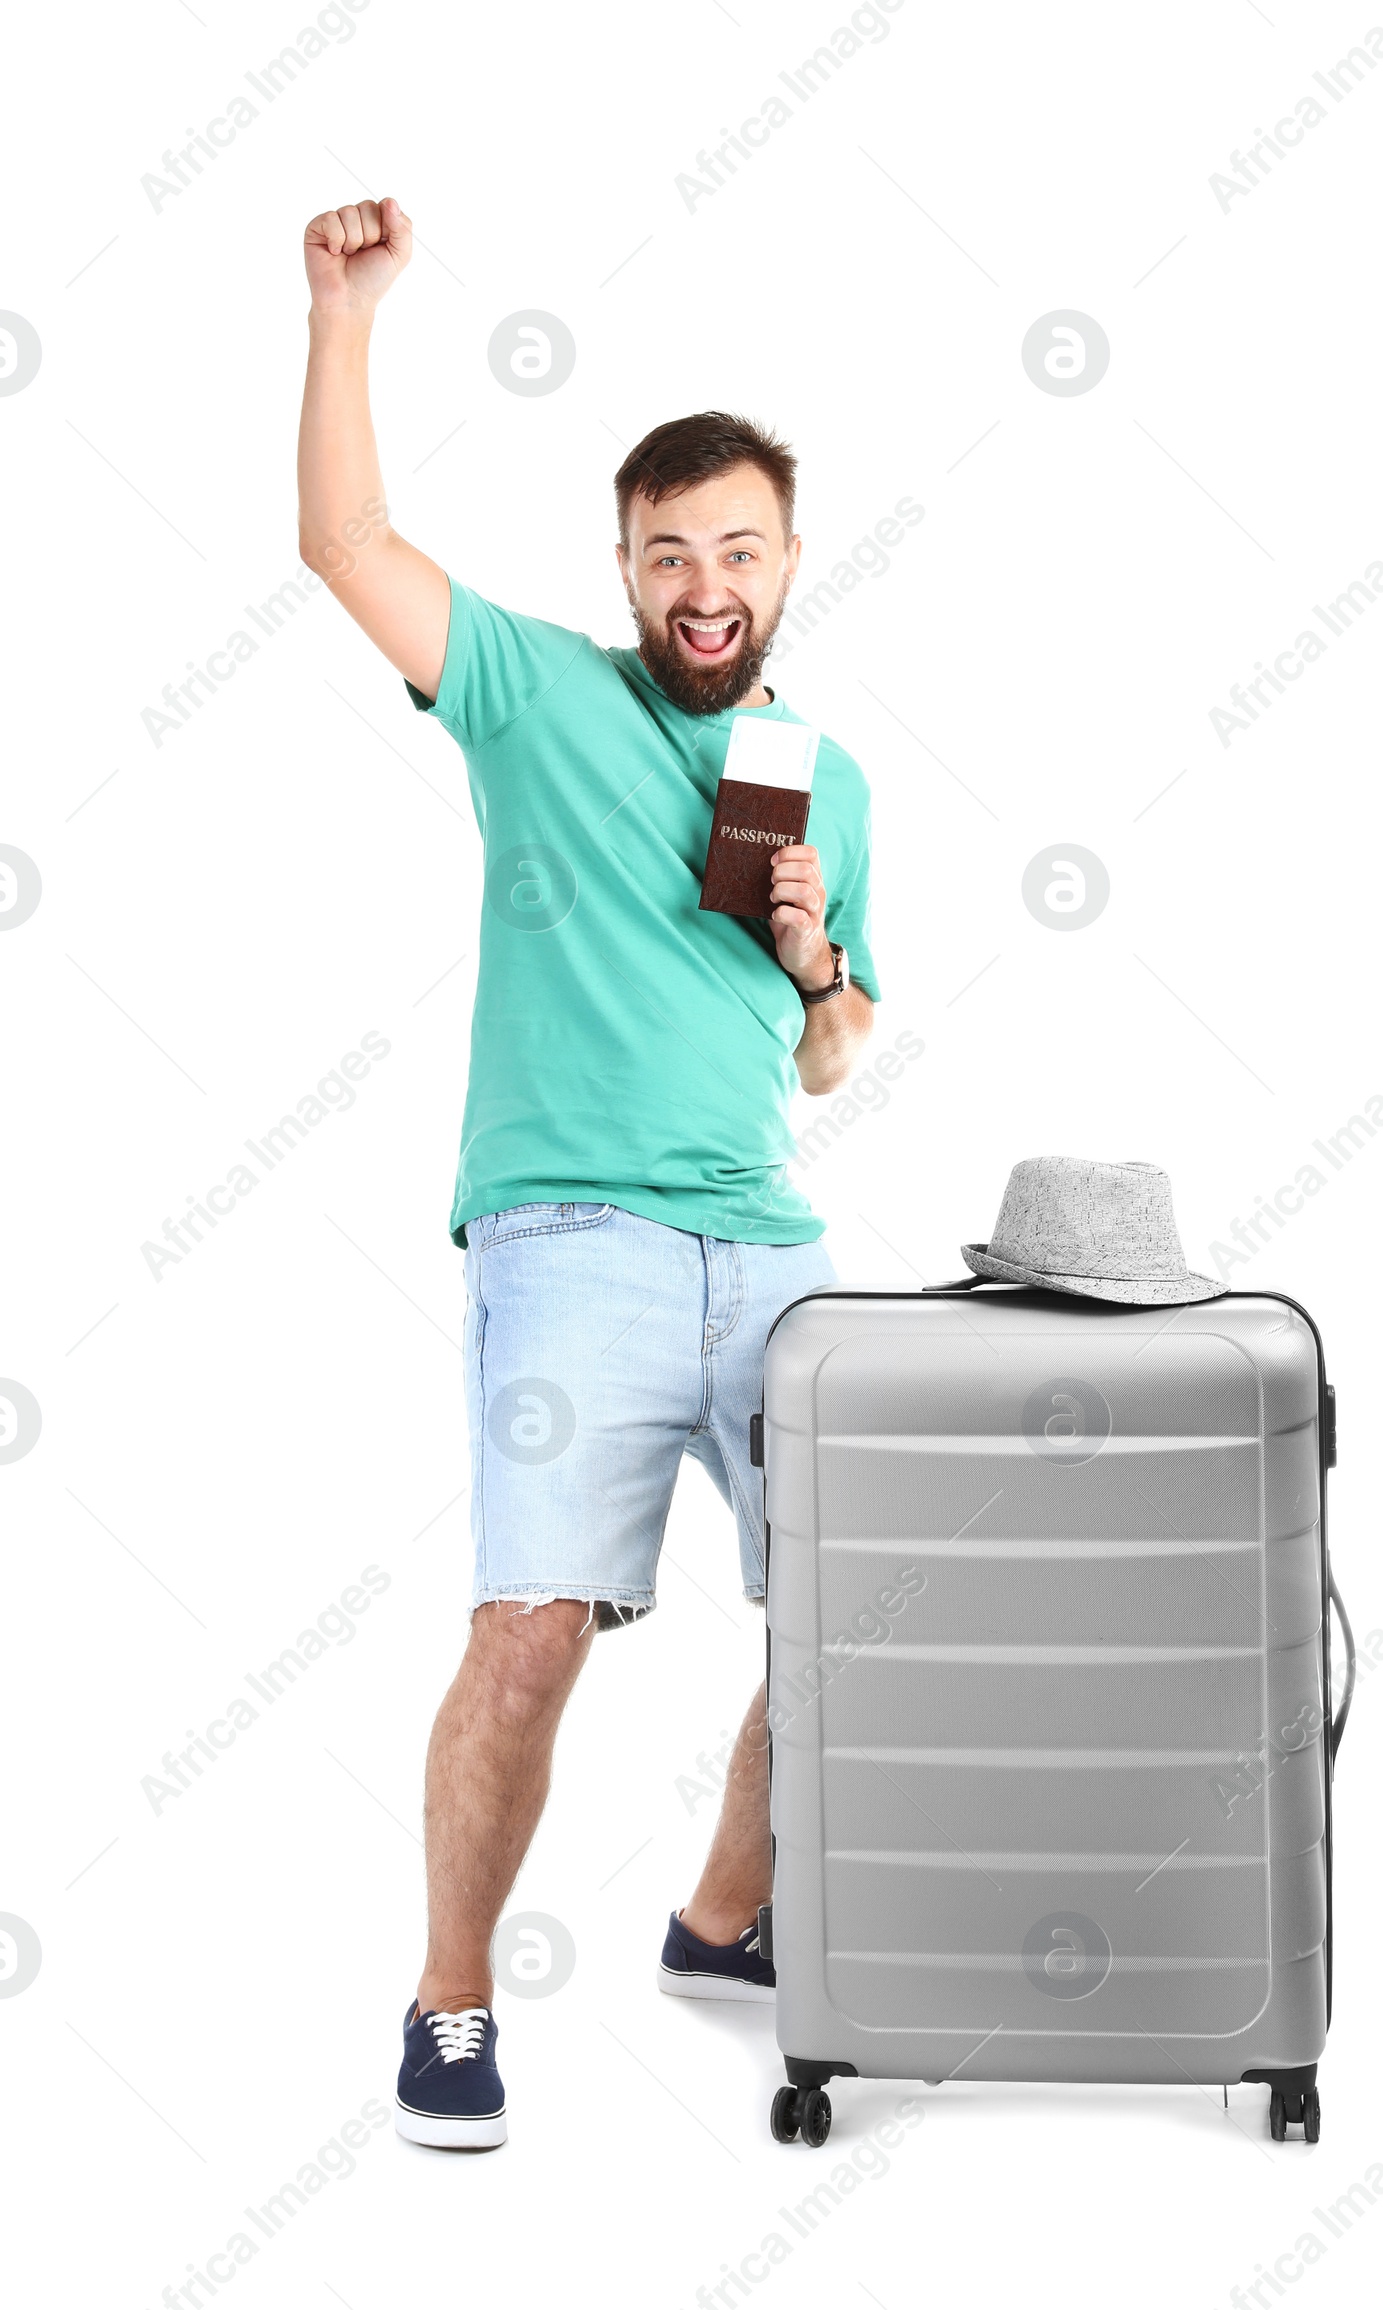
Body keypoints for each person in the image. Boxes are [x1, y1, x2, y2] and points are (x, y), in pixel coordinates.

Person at [296, 196, 880, 2148]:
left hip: (773, 1245)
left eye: (735, 550)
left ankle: (725, 1923)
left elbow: (837, 1039)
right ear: (626, 572)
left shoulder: (814, 769)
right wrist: (345, 318)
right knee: (533, 1624)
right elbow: (347, 546)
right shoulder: (541, 695)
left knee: (857, 1611)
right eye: (666, 555)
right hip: (572, 1233)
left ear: (786, 563)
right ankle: (447, 2011)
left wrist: (815, 964)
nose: (702, 583)